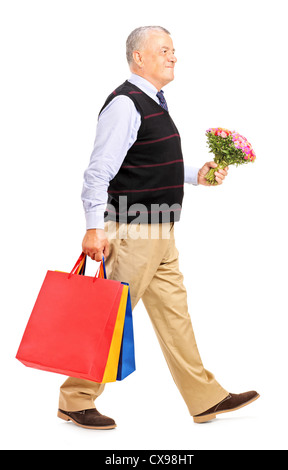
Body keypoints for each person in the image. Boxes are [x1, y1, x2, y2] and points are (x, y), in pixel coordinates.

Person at [57, 26, 259, 430]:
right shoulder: (125, 104)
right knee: (110, 318)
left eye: (173, 50)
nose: (173, 57)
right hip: (133, 231)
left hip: (161, 231)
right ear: (139, 58)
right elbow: (99, 173)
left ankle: (205, 397)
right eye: (164, 50)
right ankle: (75, 399)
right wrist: (94, 228)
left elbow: (148, 162)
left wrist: (196, 176)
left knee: (175, 317)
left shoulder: (152, 103)